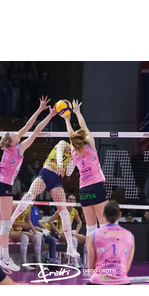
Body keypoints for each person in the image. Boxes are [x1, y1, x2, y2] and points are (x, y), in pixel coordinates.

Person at [0, 96, 56, 273]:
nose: (18, 133)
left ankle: (1, 257)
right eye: (15, 134)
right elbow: (36, 130)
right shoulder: (18, 148)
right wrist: (50, 115)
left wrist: (40, 109)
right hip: (4, 186)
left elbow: (28, 126)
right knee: (5, 224)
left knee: (2, 223)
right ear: (13, 141)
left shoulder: (8, 146)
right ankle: (5, 258)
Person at [10, 135, 80, 260]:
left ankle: (70, 247)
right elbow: (59, 153)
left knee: (64, 213)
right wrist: (60, 164)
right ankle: (10, 221)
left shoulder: (73, 155)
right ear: (72, 142)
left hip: (57, 181)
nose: (74, 148)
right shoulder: (63, 143)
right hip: (46, 173)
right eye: (75, 145)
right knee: (29, 196)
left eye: (77, 147)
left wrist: (74, 159)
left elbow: (69, 173)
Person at [63, 100, 108, 253]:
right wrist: (77, 112)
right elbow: (84, 127)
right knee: (104, 224)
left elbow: (71, 136)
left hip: (83, 191)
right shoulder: (90, 148)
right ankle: (105, 257)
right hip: (96, 186)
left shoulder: (74, 153)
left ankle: (90, 260)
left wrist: (67, 119)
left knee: (90, 228)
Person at [87, 201, 135, 285]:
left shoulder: (94, 234)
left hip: (98, 282)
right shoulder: (130, 235)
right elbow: (126, 269)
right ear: (120, 215)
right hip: (121, 282)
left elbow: (91, 268)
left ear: (103, 214)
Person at [46, 194, 86, 268]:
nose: (71, 201)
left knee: (80, 239)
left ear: (75, 202)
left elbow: (79, 222)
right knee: (73, 238)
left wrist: (76, 231)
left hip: (70, 233)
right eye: (70, 199)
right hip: (60, 234)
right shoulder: (61, 209)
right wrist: (58, 231)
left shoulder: (75, 211)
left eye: (73, 200)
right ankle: (75, 262)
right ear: (67, 201)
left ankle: (84, 263)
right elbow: (50, 221)